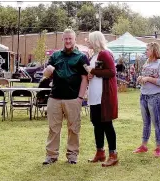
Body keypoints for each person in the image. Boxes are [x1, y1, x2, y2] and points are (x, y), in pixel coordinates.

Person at [42, 28, 89, 165]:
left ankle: (72, 155)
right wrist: (47, 71)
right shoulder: (55, 55)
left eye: (70, 39)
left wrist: (80, 98)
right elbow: (46, 74)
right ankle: (51, 156)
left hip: (73, 98)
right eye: (66, 38)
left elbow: (85, 78)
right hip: (55, 97)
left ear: (75, 40)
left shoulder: (81, 57)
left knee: (74, 129)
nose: (68, 41)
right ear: (62, 39)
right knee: (53, 128)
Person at [84, 31, 119, 167]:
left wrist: (93, 71)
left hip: (103, 96)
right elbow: (97, 71)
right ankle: (100, 152)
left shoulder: (105, 53)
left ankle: (113, 154)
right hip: (94, 96)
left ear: (96, 40)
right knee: (96, 124)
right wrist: (91, 74)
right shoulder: (94, 55)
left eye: (90, 40)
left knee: (106, 125)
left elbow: (111, 72)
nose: (88, 42)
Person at [133, 42, 160, 157]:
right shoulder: (147, 63)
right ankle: (144, 145)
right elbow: (144, 77)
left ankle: (159, 148)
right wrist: (140, 78)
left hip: (155, 96)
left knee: (156, 122)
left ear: (154, 50)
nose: (146, 51)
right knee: (146, 122)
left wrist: (148, 78)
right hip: (144, 95)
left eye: (148, 49)